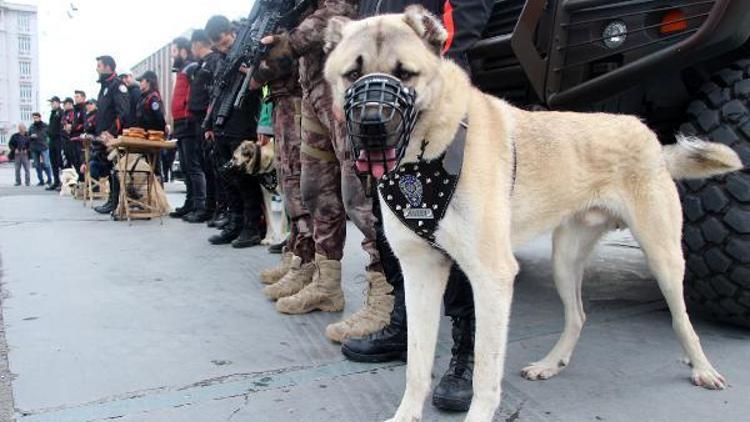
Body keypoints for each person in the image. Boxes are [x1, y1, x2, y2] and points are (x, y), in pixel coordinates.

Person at [340, 0, 494, 412]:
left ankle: (467, 351)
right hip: (378, 84)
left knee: (453, 226)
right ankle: (405, 325)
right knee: (390, 212)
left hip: (428, 78)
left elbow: (468, 9)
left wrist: (437, 54)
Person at [259, 0, 393, 345]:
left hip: (342, 82)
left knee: (359, 195)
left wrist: (286, 44)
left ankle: (387, 295)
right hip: (311, 87)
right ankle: (326, 282)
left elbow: (339, 11)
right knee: (315, 189)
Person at [204, 15, 265, 248]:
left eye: (225, 43)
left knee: (244, 176)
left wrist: (249, 71)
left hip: (243, 120)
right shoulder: (220, 58)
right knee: (227, 176)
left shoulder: (250, 46)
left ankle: (252, 227)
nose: (222, 48)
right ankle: (235, 222)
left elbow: (260, 80)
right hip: (222, 123)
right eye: (218, 45)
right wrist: (209, 126)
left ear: (232, 32)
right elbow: (216, 92)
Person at [189, 29, 228, 227]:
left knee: (216, 168)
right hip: (202, 121)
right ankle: (212, 208)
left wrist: (210, 123)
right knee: (207, 166)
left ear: (197, 43)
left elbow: (214, 94)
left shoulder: (213, 61)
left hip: (209, 121)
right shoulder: (203, 64)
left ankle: (220, 209)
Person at [170, 36, 205, 219]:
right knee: (185, 165)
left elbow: (194, 95)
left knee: (193, 166)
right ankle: (190, 202)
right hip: (180, 123)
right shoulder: (183, 70)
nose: (173, 56)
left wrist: (188, 114)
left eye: (174, 51)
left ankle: (200, 204)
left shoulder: (191, 68)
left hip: (188, 121)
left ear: (184, 51)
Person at [92, 55, 131, 215]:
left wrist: (110, 133)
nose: (97, 69)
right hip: (103, 137)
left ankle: (115, 202)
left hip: (112, 137)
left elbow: (123, 113)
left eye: (99, 66)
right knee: (108, 169)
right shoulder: (104, 86)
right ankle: (112, 200)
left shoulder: (117, 86)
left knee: (115, 169)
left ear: (108, 67)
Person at [29, 112, 53, 186]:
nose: (35, 119)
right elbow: (28, 137)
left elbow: (49, 134)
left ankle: (49, 179)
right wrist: (31, 137)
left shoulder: (45, 126)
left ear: (40, 117)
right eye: (34, 118)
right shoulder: (31, 127)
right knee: (36, 165)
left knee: (46, 163)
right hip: (34, 147)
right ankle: (41, 180)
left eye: (36, 117)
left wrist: (39, 136)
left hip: (43, 146)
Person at [46, 96, 64, 190]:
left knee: (60, 161)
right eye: (51, 103)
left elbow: (61, 127)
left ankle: (63, 182)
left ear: (57, 103)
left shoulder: (61, 112)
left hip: (58, 140)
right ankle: (56, 181)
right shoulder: (52, 113)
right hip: (52, 140)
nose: (52, 105)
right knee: (53, 162)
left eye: (53, 103)